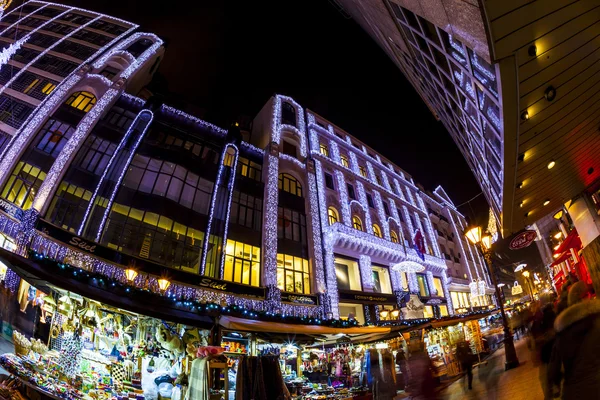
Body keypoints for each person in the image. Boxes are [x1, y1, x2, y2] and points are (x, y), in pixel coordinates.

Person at [547, 281, 600, 399]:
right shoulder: (597, 320)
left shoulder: (562, 331)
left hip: (574, 392)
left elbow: (553, 371)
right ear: (586, 297)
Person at [530, 302, 556, 399]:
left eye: (532, 306)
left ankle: (549, 396)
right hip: (546, 352)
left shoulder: (540, 317)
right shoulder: (538, 317)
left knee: (545, 378)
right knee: (545, 378)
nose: (531, 308)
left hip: (547, 352)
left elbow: (547, 333)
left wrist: (539, 340)